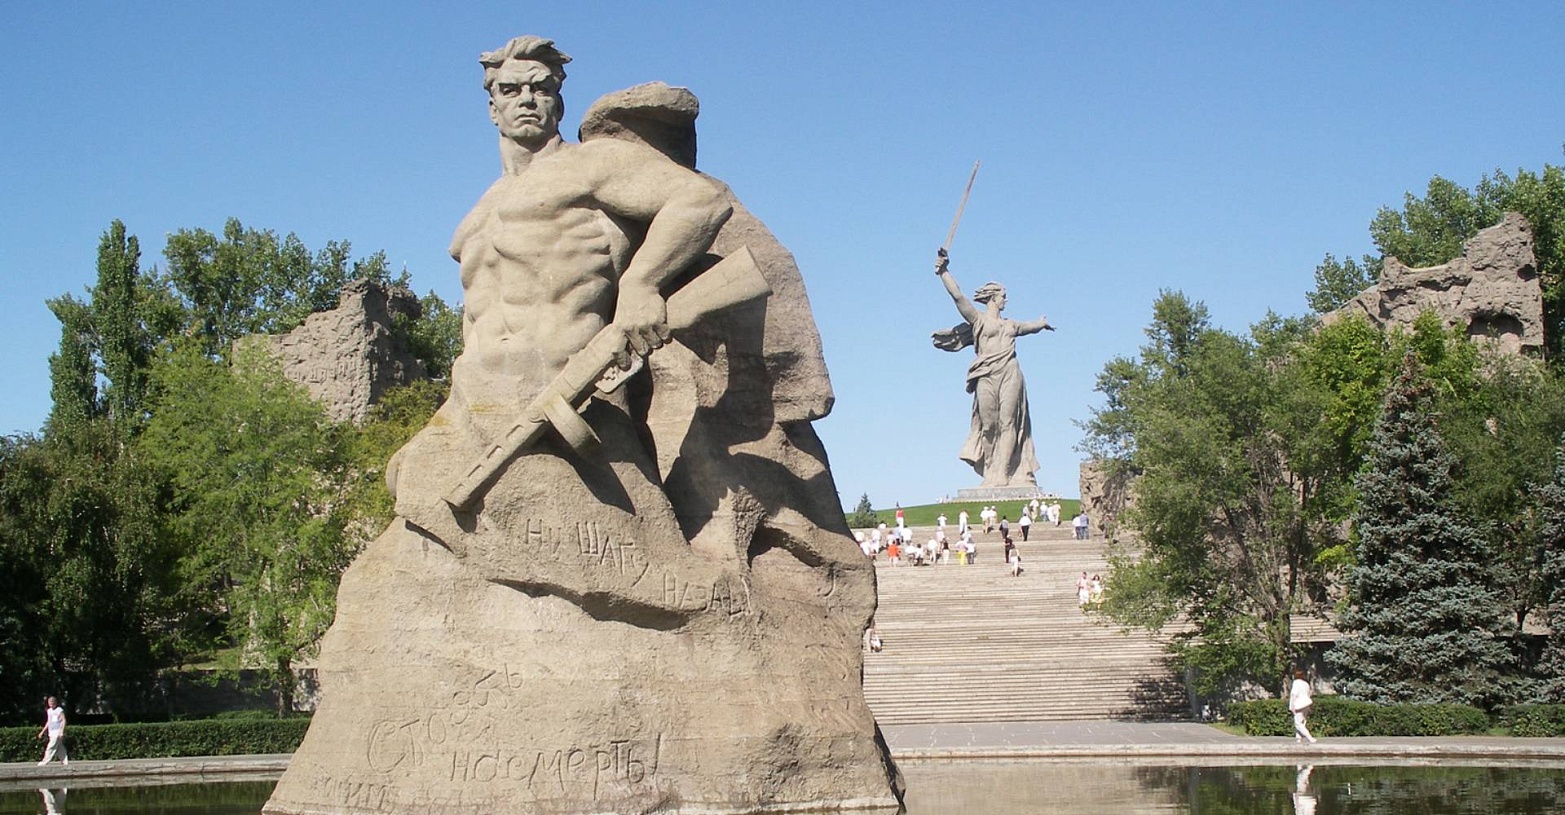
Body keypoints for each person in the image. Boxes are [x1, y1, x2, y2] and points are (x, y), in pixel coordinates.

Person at [931, 248, 1053, 487]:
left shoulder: (1011, 325)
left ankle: (1003, 474)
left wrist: (1041, 323)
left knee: (1009, 422)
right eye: (1004, 296)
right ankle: (990, 470)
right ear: (993, 298)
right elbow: (958, 297)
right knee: (989, 425)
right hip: (985, 374)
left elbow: (1031, 326)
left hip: (1010, 372)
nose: (1006, 300)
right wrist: (944, 272)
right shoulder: (978, 320)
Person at [36, 696, 68, 766]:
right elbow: (48, 722)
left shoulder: (59, 710)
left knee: (50, 747)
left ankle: (45, 761)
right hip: (51, 732)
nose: (51, 705)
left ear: (55, 703)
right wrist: (42, 732)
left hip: (57, 732)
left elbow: (63, 720)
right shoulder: (49, 711)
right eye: (50, 703)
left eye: (52, 703)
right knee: (59, 748)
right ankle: (65, 762)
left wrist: (61, 732)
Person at [1289, 669, 1318, 744]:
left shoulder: (1296, 682)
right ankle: (1298, 739)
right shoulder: (1306, 684)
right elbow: (1309, 694)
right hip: (1307, 704)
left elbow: (1294, 694)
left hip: (1299, 704)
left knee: (1298, 723)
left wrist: (1292, 705)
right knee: (1302, 722)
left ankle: (1310, 738)